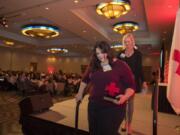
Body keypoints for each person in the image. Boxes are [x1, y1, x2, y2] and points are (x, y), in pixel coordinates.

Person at [76, 41, 136, 135]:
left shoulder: (121, 65)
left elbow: (131, 86)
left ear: (108, 51)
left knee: (108, 132)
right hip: (94, 105)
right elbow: (85, 79)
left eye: (103, 52)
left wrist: (125, 97)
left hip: (113, 107)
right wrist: (80, 93)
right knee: (94, 131)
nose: (100, 56)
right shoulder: (94, 64)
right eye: (97, 53)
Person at [117, 33, 148, 134]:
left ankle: (129, 124)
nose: (127, 44)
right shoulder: (120, 54)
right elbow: (117, 67)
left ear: (132, 41)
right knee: (122, 103)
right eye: (125, 42)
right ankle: (125, 123)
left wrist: (143, 81)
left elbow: (139, 69)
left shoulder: (138, 54)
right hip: (122, 82)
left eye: (129, 42)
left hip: (132, 82)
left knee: (130, 103)